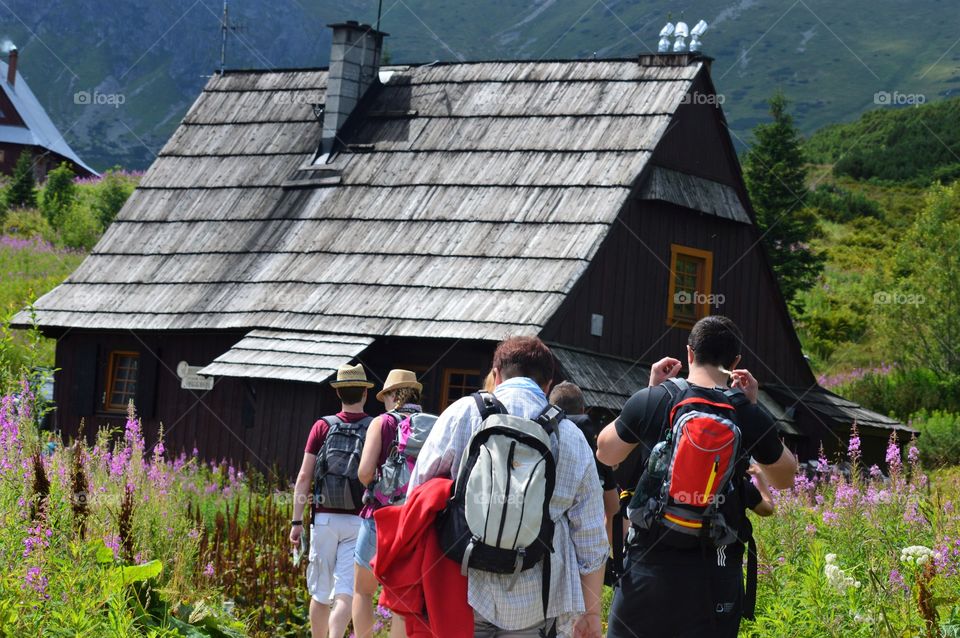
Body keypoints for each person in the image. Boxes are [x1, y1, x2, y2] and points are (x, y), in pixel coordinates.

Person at [597, 316, 798, 637]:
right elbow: (786, 477)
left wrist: (650, 394)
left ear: (689, 353)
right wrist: (753, 409)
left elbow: (606, 454)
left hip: (648, 570)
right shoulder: (746, 412)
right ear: (735, 363)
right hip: (714, 575)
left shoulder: (655, 399)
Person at [409, 336, 608, 638]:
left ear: (497, 373)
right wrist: (592, 612)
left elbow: (417, 493)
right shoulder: (570, 435)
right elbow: (591, 537)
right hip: (536, 599)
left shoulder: (464, 412)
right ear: (548, 383)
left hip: (462, 585)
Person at [290, 364, 375, 638]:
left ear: (339, 393)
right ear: (365, 393)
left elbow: (304, 476)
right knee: (346, 591)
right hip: (357, 519)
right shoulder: (375, 426)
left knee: (320, 591)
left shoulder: (322, 426)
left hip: (324, 518)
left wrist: (296, 521)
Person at [354, 369, 423, 638]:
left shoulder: (382, 423)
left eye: (386, 396)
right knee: (401, 599)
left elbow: (364, 472)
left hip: (380, 517)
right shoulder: (434, 422)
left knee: (362, 590)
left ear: (395, 395)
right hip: (415, 520)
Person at [548, 382, 620, 550]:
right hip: (582, 549)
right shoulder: (595, 454)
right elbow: (613, 509)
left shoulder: (541, 443)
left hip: (542, 545)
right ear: (582, 411)